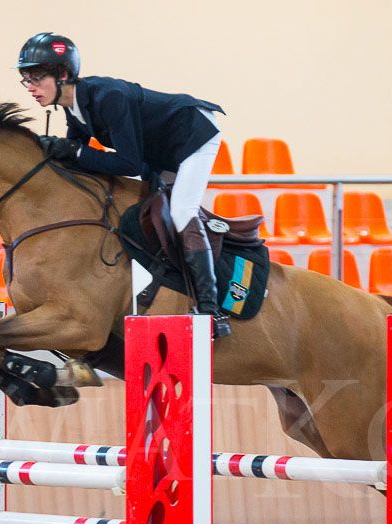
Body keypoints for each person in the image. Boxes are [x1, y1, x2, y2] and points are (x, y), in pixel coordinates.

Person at [16, 32, 231, 339]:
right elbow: (76, 155)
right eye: (26, 80)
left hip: (194, 133)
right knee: (147, 210)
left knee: (182, 211)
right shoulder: (73, 107)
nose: (30, 88)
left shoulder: (108, 98)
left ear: (63, 74)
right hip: (160, 149)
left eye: (36, 78)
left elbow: (128, 164)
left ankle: (211, 310)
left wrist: (74, 151)